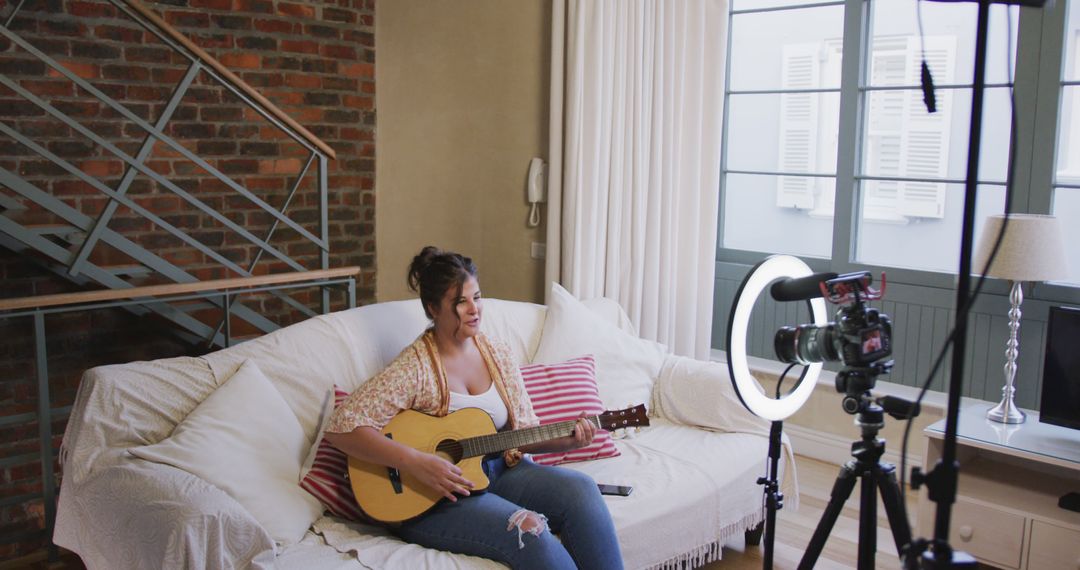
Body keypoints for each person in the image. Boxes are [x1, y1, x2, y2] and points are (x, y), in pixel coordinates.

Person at [325, 246, 624, 570]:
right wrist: (416, 462)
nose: (474, 310)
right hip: (434, 496)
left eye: (477, 297)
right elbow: (342, 426)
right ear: (433, 308)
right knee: (530, 531)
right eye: (460, 302)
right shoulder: (415, 367)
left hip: (500, 471)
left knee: (582, 491)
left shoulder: (497, 353)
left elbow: (522, 433)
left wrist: (568, 439)